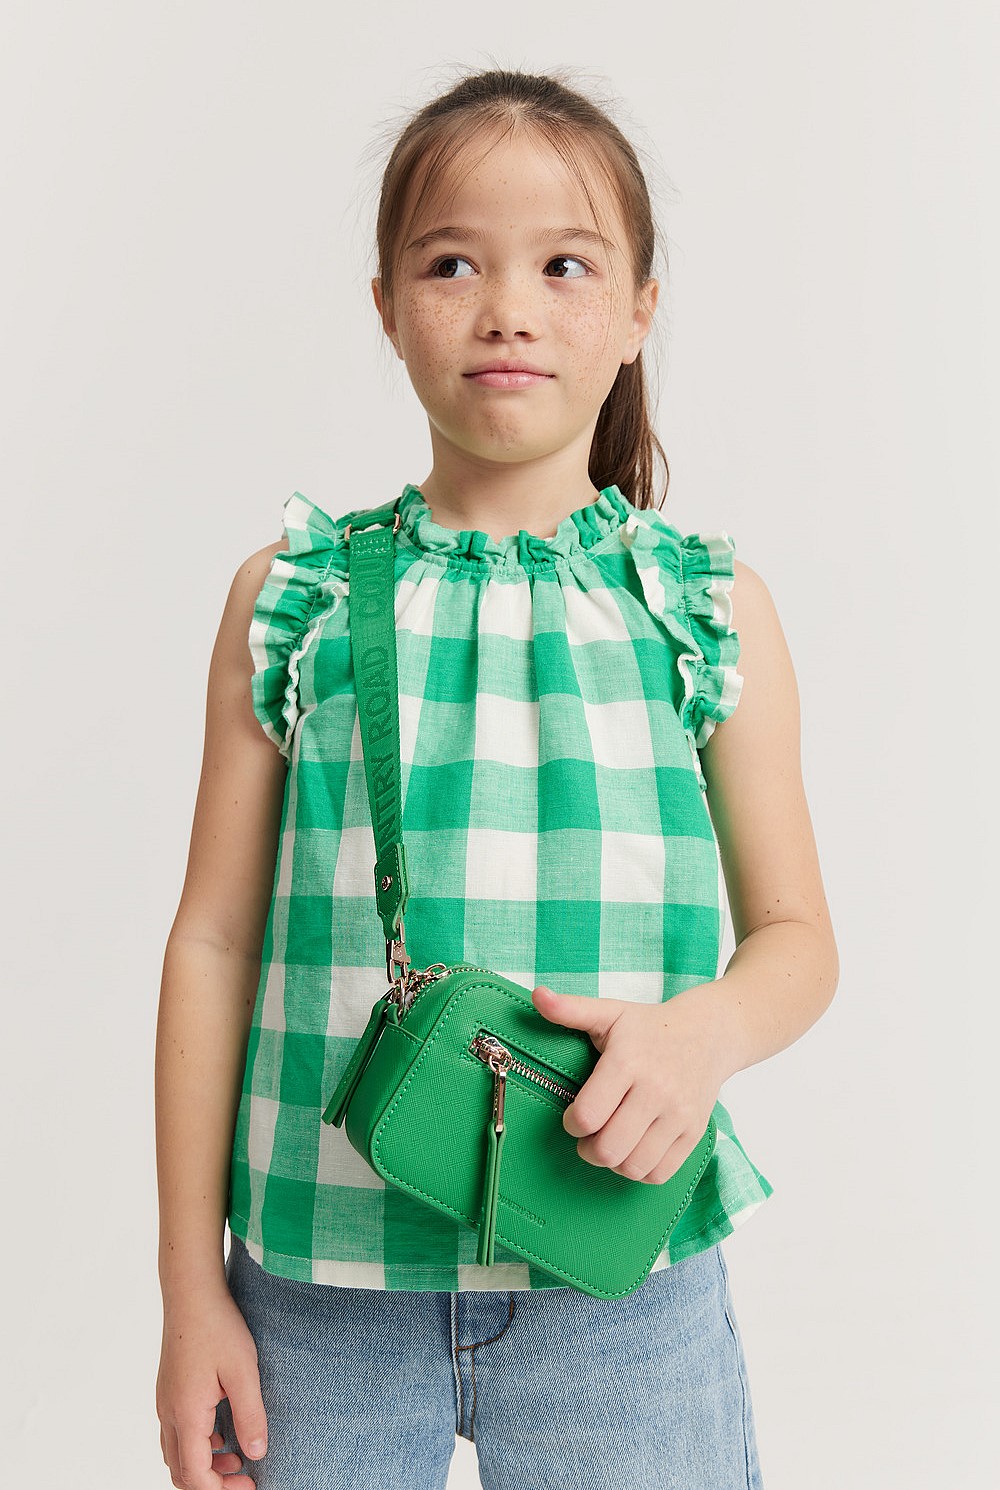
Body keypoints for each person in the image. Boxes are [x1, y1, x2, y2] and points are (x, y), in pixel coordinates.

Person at [155, 67, 838, 1490]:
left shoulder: (704, 607)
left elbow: (799, 941)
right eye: (452, 263)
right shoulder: (297, 596)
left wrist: (703, 1035)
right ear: (386, 304)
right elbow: (212, 941)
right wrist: (187, 1286)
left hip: (621, 1271)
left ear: (640, 310)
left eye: (564, 266)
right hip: (319, 1282)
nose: (507, 308)